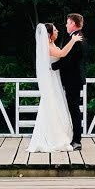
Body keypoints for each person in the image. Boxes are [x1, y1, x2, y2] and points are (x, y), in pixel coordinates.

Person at [27, 22, 84, 153]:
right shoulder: (47, 46)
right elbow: (63, 54)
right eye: (55, 30)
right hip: (51, 81)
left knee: (57, 106)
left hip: (56, 79)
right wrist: (73, 40)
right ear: (49, 34)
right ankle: (52, 137)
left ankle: (58, 134)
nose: (57, 31)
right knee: (53, 105)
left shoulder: (52, 44)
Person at [51, 13, 88, 151]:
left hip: (73, 80)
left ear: (73, 23)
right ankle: (75, 138)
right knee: (73, 109)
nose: (66, 25)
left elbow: (69, 60)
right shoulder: (79, 37)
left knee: (74, 110)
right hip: (74, 79)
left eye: (67, 23)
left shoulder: (76, 39)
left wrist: (52, 67)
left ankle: (77, 141)